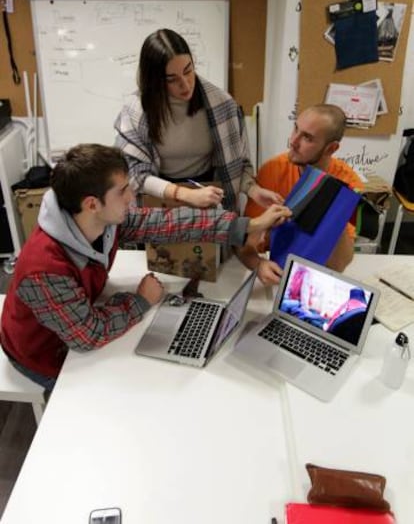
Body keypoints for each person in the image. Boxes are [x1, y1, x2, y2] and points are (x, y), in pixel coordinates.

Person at [0, 144, 290, 392]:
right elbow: (89, 335)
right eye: (123, 190)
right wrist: (141, 300)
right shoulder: (44, 269)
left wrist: (248, 225)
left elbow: (170, 224)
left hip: (75, 321)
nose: (131, 197)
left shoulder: (98, 219)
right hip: (45, 354)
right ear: (92, 204)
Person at [114, 28, 280, 212]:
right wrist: (184, 194)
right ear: (155, 80)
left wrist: (253, 190)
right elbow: (133, 173)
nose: (185, 84)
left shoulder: (222, 104)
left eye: (188, 70)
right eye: (172, 79)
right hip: (158, 197)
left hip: (208, 194)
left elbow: (236, 164)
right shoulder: (135, 111)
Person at [238, 104, 364, 284]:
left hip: (316, 276)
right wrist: (258, 264)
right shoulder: (273, 170)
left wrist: (334, 204)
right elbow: (244, 242)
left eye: (307, 138)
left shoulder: (348, 184)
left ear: (331, 149)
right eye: (296, 128)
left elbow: (338, 265)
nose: (293, 141)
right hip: (275, 272)